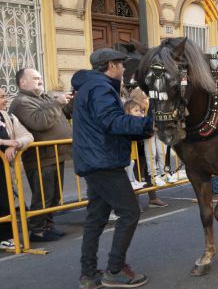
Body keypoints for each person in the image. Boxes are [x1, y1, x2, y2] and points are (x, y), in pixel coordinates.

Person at [72, 48, 153, 288]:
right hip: (103, 162)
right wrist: (148, 123)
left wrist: (142, 129)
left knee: (95, 219)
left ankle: (88, 274)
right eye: (121, 64)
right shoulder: (99, 88)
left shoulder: (93, 86)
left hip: (96, 160)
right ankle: (114, 270)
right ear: (111, 66)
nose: (124, 68)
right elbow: (111, 121)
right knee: (130, 212)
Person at [9, 68, 72, 242]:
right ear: (23, 82)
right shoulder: (22, 102)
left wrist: (70, 101)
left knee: (54, 195)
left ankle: (48, 226)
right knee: (43, 195)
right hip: (40, 157)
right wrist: (56, 103)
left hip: (55, 153)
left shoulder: (43, 98)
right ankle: (37, 230)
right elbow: (40, 122)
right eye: (35, 78)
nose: (40, 80)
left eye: (41, 77)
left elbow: (62, 115)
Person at [0, 87, 34, 250]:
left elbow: (28, 136)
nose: (5, 100)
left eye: (4, 96)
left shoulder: (8, 117)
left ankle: (6, 237)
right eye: (1, 97)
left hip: (5, 169)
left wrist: (16, 144)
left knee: (5, 203)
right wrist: (4, 142)